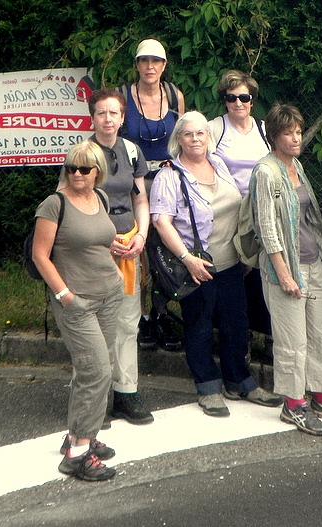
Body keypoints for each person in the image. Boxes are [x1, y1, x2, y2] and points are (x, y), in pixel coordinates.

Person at [149, 111, 282, 417]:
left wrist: (244, 253)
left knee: (236, 324)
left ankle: (240, 381)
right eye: (188, 134)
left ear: (209, 138)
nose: (195, 139)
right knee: (200, 327)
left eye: (200, 133)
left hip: (232, 263)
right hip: (196, 267)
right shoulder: (170, 176)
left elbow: (238, 208)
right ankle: (208, 386)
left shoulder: (219, 164)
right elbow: (162, 223)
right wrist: (187, 259)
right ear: (178, 139)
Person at [251, 103, 322, 436]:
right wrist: (284, 274)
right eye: (289, 132)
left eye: (299, 132)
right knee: (292, 341)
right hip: (286, 268)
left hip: (313, 263)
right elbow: (267, 227)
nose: (296, 138)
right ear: (274, 136)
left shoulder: (296, 165)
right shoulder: (266, 173)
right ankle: (294, 405)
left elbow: (311, 220)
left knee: (319, 336)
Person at [32, 141, 122, 481]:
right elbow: (41, 255)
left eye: (84, 168)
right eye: (71, 167)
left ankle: (80, 435)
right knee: (95, 371)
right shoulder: (54, 205)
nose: (77, 174)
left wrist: (114, 245)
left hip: (109, 295)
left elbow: (94, 237)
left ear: (98, 171)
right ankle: (77, 455)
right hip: (77, 302)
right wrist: (65, 295)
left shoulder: (100, 198)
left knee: (98, 369)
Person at [86, 88, 155, 424]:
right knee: (97, 325)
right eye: (101, 113)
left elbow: (140, 199)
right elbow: (68, 203)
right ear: (92, 117)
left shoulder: (131, 151)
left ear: (123, 117)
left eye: (114, 113)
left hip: (129, 247)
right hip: (94, 252)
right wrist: (102, 237)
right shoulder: (81, 154)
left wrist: (141, 235)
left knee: (128, 322)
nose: (108, 119)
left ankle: (126, 392)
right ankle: (96, 399)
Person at [118, 37, 185, 352]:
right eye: (144, 60)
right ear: (137, 64)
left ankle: (162, 314)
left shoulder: (174, 96)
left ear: (164, 65)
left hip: (167, 182)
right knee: (140, 250)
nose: (149, 67)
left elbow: (182, 139)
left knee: (166, 251)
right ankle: (142, 318)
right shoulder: (123, 97)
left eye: (155, 61)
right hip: (134, 182)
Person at [209, 70, 273, 359]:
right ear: (224, 101)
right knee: (237, 274)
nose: (238, 103)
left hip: (262, 210)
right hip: (229, 212)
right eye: (231, 97)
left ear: (252, 100)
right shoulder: (215, 129)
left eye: (244, 97)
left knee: (265, 272)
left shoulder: (264, 129)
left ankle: (273, 336)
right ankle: (238, 337)